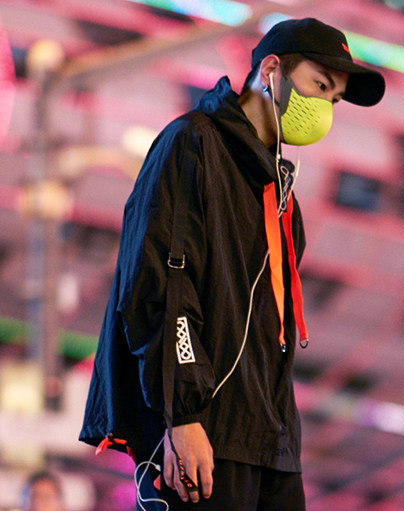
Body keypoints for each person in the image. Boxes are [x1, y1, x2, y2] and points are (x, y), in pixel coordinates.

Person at [79, 17, 385, 510]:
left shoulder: (280, 192)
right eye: (319, 85)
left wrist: (281, 439)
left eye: (334, 99)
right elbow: (162, 285)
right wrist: (183, 415)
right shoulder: (193, 143)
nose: (325, 108)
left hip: (270, 442)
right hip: (203, 435)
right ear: (271, 70)